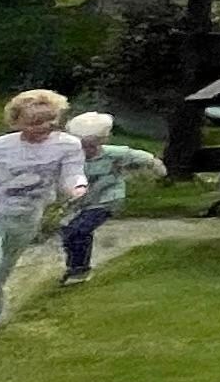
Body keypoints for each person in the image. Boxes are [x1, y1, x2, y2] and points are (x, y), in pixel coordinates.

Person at [0, 90, 86, 339]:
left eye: (50, 120)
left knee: (1, 270)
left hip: (27, 216)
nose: (44, 127)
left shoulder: (68, 145)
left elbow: (72, 173)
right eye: (35, 122)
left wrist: (77, 187)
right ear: (17, 122)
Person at [56, 109, 160, 285]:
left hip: (107, 199)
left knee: (79, 230)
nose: (86, 150)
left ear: (101, 141)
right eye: (81, 145)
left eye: (91, 145)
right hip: (83, 202)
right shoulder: (70, 159)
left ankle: (80, 271)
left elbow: (141, 157)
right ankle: (74, 266)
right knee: (68, 233)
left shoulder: (113, 154)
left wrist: (157, 167)